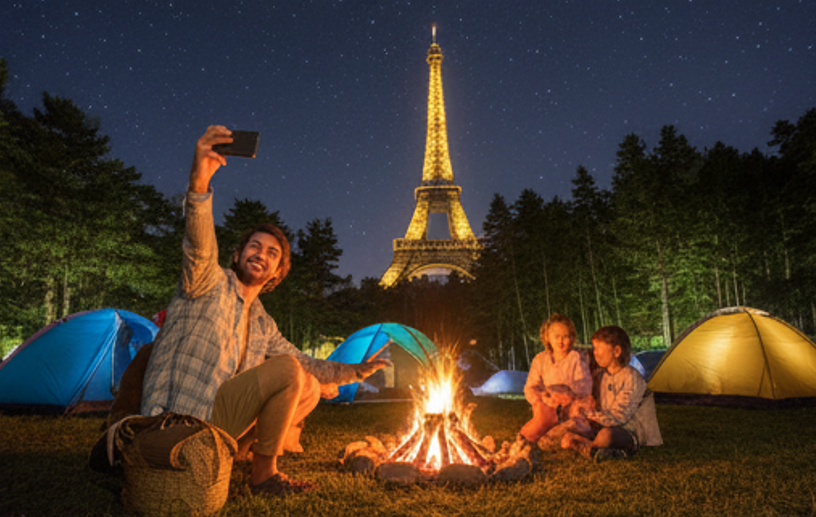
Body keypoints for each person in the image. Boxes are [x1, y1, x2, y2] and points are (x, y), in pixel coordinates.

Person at [139, 125, 389, 495]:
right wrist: (200, 182)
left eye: (272, 253)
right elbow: (199, 242)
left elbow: (307, 363)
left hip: (219, 421)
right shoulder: (206, 280)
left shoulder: (262, 321)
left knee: (303, 376)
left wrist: (355, 371)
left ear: (277, 273)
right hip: (177, 418)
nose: (261, 254)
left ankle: (241, 458)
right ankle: (263, 475)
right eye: (254, 246)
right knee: (288, 370)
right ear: (237, 254)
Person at [561, 325, 663, 462]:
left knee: (606, 435)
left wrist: (590, 415)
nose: (595, 353)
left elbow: (620, 417)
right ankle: (597, 448)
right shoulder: (603, 376)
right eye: (594, 348)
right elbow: (601, 408)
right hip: (608, 424)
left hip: (631, 431)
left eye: (599, 348)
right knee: (574, 426)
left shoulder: (631, 377)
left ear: (616, 351)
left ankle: (585, 446)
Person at [519, 313, 593, 443]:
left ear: (572, 337)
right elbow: (530, 387)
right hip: (548, 405)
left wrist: (568, 395)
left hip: (570, 406)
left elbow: (584, 384)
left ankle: (565, 431)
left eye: (565, 336)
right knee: (538, 420)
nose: (561, 341)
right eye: (557, 336)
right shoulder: (540, 360)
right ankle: (526, 437)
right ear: (547, 337)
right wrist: (540, 398)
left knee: (579, 414)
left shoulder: (575, 358)